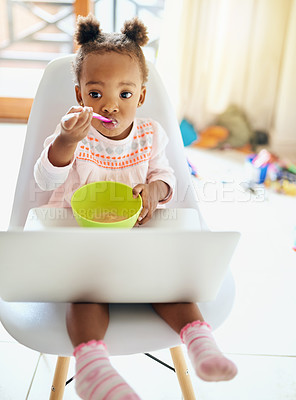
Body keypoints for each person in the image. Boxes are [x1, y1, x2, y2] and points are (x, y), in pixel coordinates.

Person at [34, 14, 237, 400]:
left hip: (138, 246)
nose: (110, 106)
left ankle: (200, 342)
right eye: (96, 94)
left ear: (141, 96)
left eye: (124, 95)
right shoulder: (72, 135)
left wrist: (155, 192)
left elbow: (168, 179)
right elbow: (46, 180)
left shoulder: (150, 135)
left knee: (172, 286)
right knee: (84, 295)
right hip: (83, 249)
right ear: (80, 95)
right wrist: (64, 141)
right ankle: (93, 368)